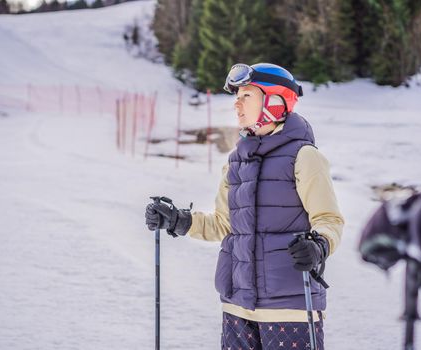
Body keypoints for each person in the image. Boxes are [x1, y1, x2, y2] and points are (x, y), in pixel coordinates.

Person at [145, 63, 345, 349]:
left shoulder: (304, 157)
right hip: (237, 306)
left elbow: (329, 219)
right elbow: (224, 224)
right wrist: (179, 220)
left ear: (275, 101)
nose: (237, 104)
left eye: (246, 96)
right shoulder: (236, 162)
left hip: (289, 308)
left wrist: (319, 245)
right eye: (236, 97)